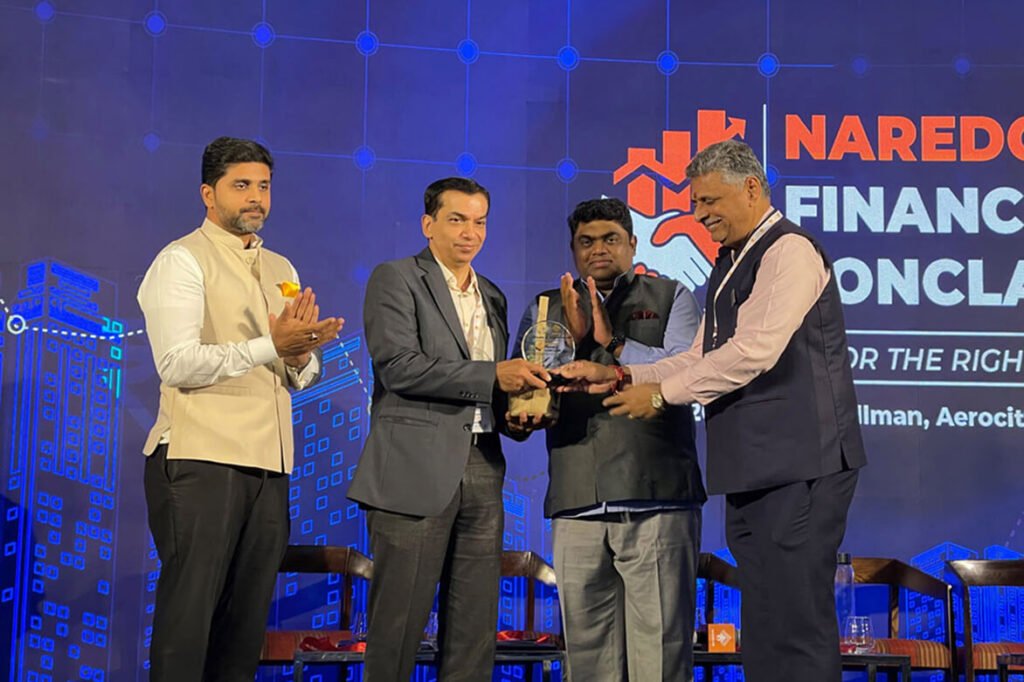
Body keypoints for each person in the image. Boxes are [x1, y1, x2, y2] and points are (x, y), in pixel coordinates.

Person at [555, 140, 867, 682]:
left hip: (801, 465)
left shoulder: (788, 251)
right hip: (754, 468)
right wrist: (621, 375)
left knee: (795, 621)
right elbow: (699, 358)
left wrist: (660, 395)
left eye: (708, 201)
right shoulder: (730, 261)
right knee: (765, 622)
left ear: (751, 188)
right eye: (695, 203)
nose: (699, 215)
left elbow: (754, 351)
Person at [138, 136, 343, 681]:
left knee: (244, 627)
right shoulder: (182, 259)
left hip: (269, 465)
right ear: (208, 194)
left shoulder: (279, 265)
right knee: (189, 623)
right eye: (242, 185)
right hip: (199, 458)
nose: (256, 197)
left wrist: (300, 355)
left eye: (264, 186)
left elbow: (296, 373)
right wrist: (271, 346)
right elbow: (176, 363)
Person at [348, 177, 549, 681]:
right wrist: (493, 375)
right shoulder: (396, 278)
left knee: (473, 630)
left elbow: (490, 386)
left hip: (483, 464)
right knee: (398, 626)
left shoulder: (492, 296)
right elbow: (399, 367)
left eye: (479, 222)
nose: (469, 233)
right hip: (413, 470)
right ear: (428, 224)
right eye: (456, 220)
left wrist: (518, 413)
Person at [509, 197, 706, 681]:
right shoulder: (546, 309)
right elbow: (523, 396)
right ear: (573, 250)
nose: (598, 249)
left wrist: (612, 343)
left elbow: (691, 372)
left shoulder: (672, 296)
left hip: (656, 496)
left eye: (610, 239)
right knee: (587, 659)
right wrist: (520, 418)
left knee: (659, 656)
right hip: (576, 497)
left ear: (633, 244)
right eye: (586, 241)